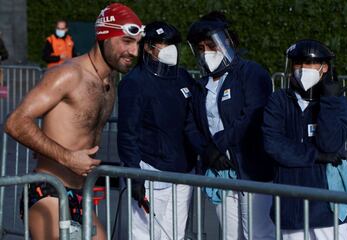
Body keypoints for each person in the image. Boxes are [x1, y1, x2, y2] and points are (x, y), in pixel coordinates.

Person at [4, 3, 143, 239]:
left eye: (138, 43)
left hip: (82, 194)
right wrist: (67, 157)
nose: (134, 51)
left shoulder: (109, 84)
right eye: (126, 41)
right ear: (103, 36)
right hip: (49, 190)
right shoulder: (69, 74)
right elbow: (15, 122)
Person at [187, 11, 275, 240]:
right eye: (201, 47)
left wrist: (218, 144)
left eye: (211, 45)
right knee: (229, 235)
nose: (206, 52)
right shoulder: (201, 84)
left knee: (257, 234)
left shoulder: (252, 73)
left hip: (252, 170)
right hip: (220, 171)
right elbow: (191, 124)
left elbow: (251, 116)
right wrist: (207, 151)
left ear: (228, 42)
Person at [117, 21, 203, 240]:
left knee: (174, 234)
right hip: (151, 172)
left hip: (184, 173)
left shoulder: (182, 77)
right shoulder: (135, 82)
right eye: (164, 44)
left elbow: (194, 121)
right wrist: (135, 176)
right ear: (148, 47)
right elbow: (128, 134)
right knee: (145, 235)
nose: (170, 48)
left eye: (173, 43)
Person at [262, 39, 347, 239]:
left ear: (324, 68)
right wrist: (315, 155)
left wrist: (329, 101)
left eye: (309, 63)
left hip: (329, 209)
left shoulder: (339, 103)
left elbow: (330, 144)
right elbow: (273, 143)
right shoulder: (279, 100)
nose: (303, 69)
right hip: (291, 207)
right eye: (298, 63)